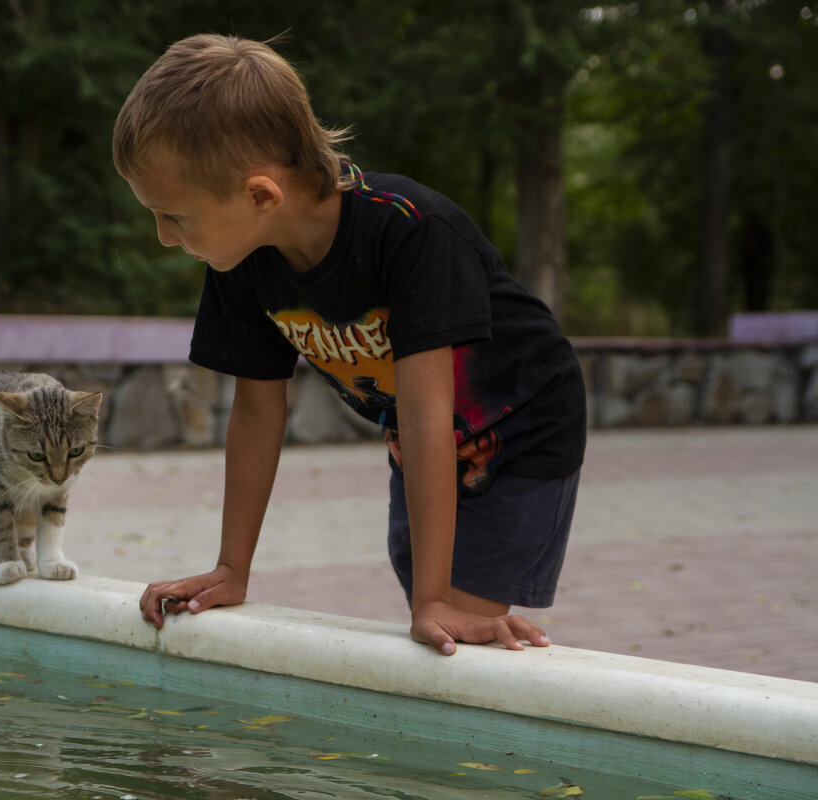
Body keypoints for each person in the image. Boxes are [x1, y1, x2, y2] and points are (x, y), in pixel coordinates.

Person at [112, 34, 587, 656]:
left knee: (449, 628)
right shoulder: (244, 261)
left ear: (260, 195)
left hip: (525, 425)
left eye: (174, 216)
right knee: (435, 613)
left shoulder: (410, 231)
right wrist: (232, 569)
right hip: (418, 438)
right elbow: (258, 409)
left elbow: (426, 414)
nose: (164, 238)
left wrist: (433, 601)